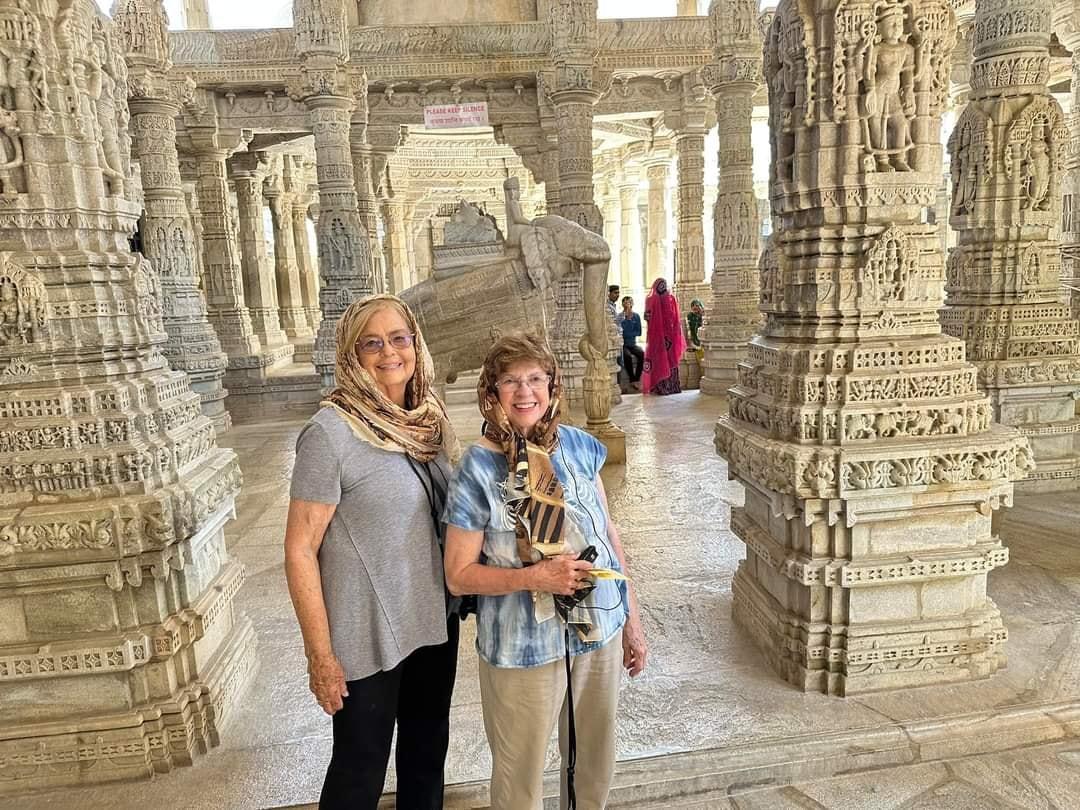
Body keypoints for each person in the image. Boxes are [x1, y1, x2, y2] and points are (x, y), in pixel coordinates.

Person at [443, 333, 647, 810]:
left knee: (594, 764)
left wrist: (633, 623)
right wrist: (533, 578)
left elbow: (609, 537)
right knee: (520, 780)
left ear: (553, 387)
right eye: (510, 381)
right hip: (523, 647)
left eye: (536, 378)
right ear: (491, 394)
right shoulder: (477, 468)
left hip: (598, 629)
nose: (525, 392)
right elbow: (458, 574)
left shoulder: (579, 446)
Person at [284, 294, 460, 810]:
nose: (389, 353)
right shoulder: (331, 433)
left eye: (399, 338)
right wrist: (321, 656)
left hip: (433, 620)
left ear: (415, 344)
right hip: (366, 634)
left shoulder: (426, 420)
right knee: (359, 770)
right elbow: (299, 550)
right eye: (372, 343)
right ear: (352, 354)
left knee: (426, 761)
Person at [641, 277, 686, 395]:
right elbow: (647, 316)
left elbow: (674, 317)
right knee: (659, 358)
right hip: (657, 336)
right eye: (661, 285)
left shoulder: (670, 298)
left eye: (664, 285)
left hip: (668, 336)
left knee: (670, 360)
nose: (663, 288)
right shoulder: (652, 299)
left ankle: (670, 386)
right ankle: (661, 387)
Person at [616, 295, 644, 389]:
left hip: (633, 344)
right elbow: (620, 332)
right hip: (624, 345)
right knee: (627, 356)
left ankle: (637, 379)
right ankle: (632, 379)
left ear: (632, 303)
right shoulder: (620, 316)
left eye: (629, 302)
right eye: (626, 302)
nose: (628, 304)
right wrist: (628, 332)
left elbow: (639, 332)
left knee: (642, 354)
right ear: (623, 304)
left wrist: (628, 333)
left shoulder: (636, 316)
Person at [687, 298, 706, 364]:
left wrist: (701, 314)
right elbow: (689, 328)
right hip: (695, 341)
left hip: (704, 341)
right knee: (700, 360)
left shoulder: (703, 315)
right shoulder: (690, 316)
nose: (695, 307)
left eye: (697, 306)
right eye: (693, 306)